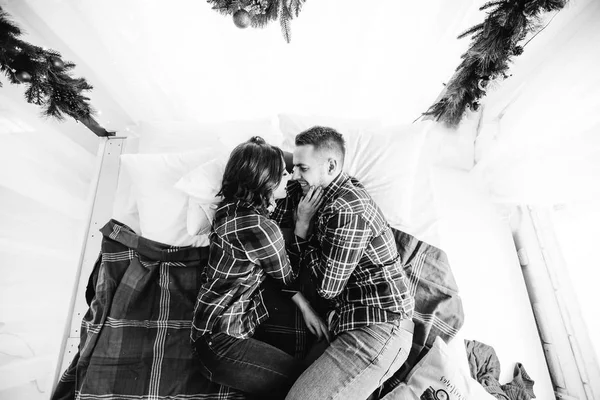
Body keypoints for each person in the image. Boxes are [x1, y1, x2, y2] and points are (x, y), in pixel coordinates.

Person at [278, 126, 416, 400]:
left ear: (330, 166)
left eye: (302, 168)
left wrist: (302, 226)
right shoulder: (317, 189)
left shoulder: (347, 210)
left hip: (378, 328)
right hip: (349, 322)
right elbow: (272, 157)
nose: (294, 176)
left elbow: (326, 288)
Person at [190, 136, 327, 399]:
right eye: (284, 172)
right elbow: (287, 276)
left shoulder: (231, 208)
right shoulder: (262, 227)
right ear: (265, 180)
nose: (290, 175)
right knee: (308, 387)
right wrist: (303, 222)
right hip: (220, 343)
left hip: (210, 328)